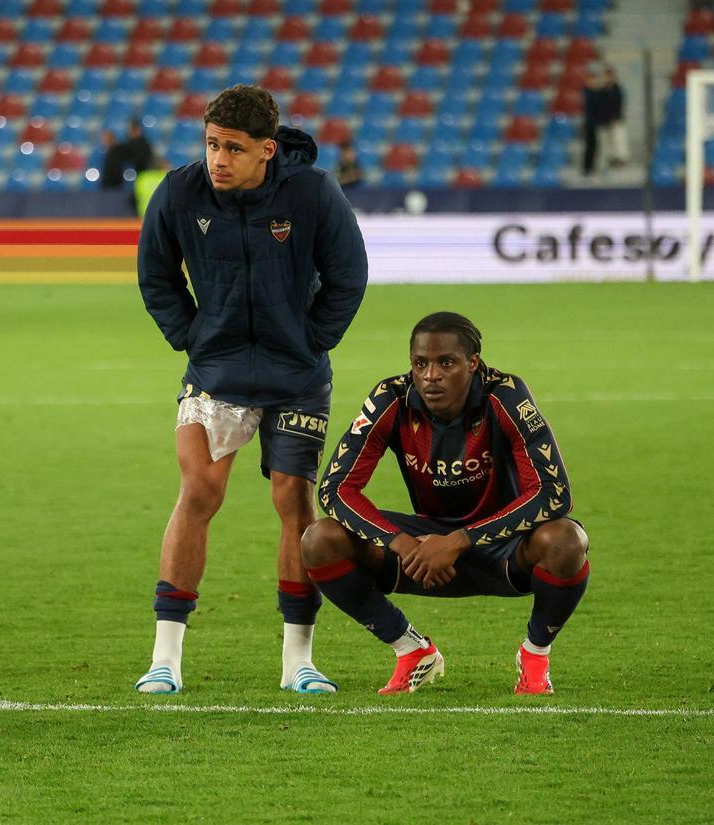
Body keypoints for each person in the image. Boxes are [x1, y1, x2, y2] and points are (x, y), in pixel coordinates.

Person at [135, 85, 370, 695]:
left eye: (233, 149)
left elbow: (349, 275)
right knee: (198, 492)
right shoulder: (180, 193)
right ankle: (165, 659)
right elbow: (154, 272)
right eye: (211, 144)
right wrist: (191, 335)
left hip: (296, 380)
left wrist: (311, 339)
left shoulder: (314, 193)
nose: (217, 159)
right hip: (216, 376)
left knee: (295, 503)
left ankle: (298, 662)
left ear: (267, 150)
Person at [300, 312, 590, 695]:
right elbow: (335, 489)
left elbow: (554, 492)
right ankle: (411, 650)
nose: (430, 375)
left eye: (446, 363)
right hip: (423, 548)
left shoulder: (505, 395)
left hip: (504, 545)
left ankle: (535, 654)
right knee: (319, 539)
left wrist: (458, 541)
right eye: (420, 364)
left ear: (473, 364)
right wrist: (401, 543)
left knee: (566, 540)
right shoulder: (391, 397)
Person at [100, 118, 156, 191]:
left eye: (130, 129)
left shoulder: (141, 146)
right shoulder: (129, 145)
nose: (128, 132)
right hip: (137, 180)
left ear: (137, 130)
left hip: (143, 180)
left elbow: (141, 162)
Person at [598, 65, 629, 169]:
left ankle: (621, 159)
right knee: (608, 140)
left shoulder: (618, 89)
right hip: (605, 119)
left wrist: (615, 118)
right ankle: (611, 159)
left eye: (610, 76)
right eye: (606, 76)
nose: (608, 78)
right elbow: (600, 105)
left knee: (619, 139)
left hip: (617, 119)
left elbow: (619, 104)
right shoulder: (602, 90)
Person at [581, 69, 604, 176]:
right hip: (589, 123)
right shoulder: (586, 92)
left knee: (595, 146)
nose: (593, 82)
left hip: (595, 122)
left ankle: (592, 167)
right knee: (590, 146)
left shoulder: (594, 92)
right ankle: (587, 168)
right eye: (591, 79)